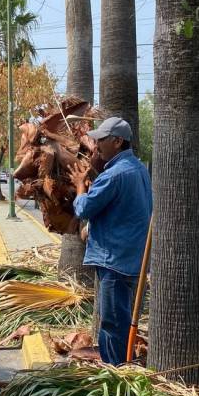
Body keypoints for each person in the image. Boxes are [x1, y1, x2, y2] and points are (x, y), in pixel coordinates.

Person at [70, 117, 153, 366]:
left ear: (117, 141)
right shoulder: (138, 169)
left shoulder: (115, 175)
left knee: (112, 322)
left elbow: (84, 209)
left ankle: (115, 372)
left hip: (114, 261)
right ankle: (120, 363)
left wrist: (79, 188)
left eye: (101, 140)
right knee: (122, 319)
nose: (96, 145)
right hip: (133, 259)